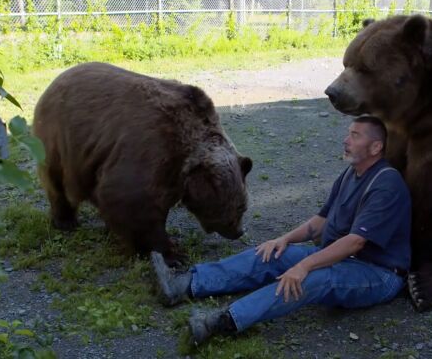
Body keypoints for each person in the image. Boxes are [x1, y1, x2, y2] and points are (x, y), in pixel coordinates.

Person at [151, 115, 412, 345]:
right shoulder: (350, 174)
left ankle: (222, 321)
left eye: (354, 136)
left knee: (310, 279)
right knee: (271, 253)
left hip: (378, 273)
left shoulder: (385, 184)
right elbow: (320, 222)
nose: (345, 140)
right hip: (343, 258)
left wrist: (304, 265)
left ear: (376, 147)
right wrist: (282, 239)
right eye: (348, 133)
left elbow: (355, 243)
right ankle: (183, 285)